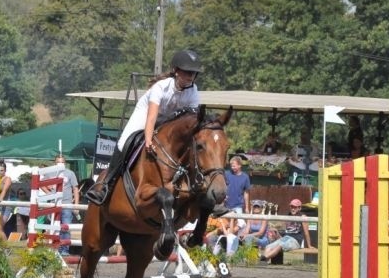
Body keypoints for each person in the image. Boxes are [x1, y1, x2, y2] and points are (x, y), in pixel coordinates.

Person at [85, 49, 203, 205]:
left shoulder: (193, 91)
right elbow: (152, 116)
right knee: (124, 141)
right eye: (187, 72)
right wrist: (148, 140)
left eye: (193, 73)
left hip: (169, 120)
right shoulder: (161, 87)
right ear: (176, 70)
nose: (191, 77)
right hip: (145, 114)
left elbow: (192, 119)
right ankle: (105, 184)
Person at [53, 154, 80, 255]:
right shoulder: (50, 172)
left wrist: (76, 205)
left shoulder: (70, 173)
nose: (60, 164)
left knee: (65, 228)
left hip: (67, 204)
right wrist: (48, 192)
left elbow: (75, 189)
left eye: (62, 162)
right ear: (55, 163)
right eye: (58, 162)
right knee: (55, 228)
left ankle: (64, 250)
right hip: (53, 204)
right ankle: (56, 249)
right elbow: (42, 183)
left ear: (65, 163)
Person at [225, 156, 251, 229]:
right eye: (231, 166)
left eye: (234, 166)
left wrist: (247, 207)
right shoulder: (227, 174)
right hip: (226, 204)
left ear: (239, 165)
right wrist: (223, 196)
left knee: (242, 224)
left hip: (238, 205)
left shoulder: (245, 177)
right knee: (226, 224)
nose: (232, 167)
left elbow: (246, 193)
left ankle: (232, 235)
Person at [0, 160, 13, 240]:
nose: (0, 172)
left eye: (2, 170)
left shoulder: (7, 179)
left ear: (5, 170)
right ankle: (1, 247)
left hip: (5, 206)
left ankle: (6, 248)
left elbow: (4, 191)